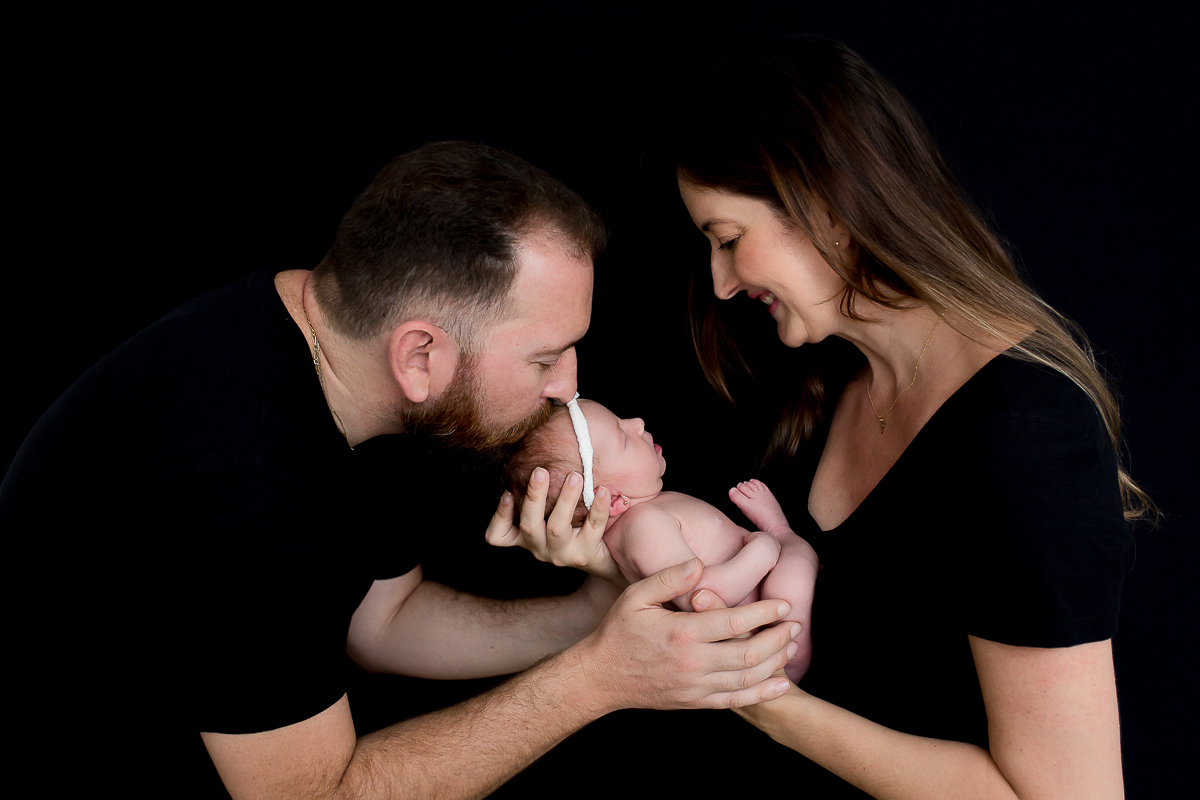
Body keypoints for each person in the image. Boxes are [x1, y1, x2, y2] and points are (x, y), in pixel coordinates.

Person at [1, 141, 800, 799]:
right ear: (421, 354)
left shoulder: (351, 367)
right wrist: (597, 680)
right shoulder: (232, 483)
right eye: (546, 357)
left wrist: (598, 609)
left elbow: (383, 622)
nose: (569, 386)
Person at [504, 37, 1148, 799]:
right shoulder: (815, 374)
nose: (719, 283)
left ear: (827, 208)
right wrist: (605, 566)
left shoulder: (1026, 438)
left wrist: (754, 694)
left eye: (729, 241)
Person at [498, 398, 818, 681]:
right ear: (611, 500)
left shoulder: (645, 510)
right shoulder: (643, 526)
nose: (637, 423)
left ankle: (782, 538)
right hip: (762, 616)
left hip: (762, 586)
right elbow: (701, 595)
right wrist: (762, 550)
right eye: (623, 437)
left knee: (792, 562)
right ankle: (794, 656)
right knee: (791, 577)